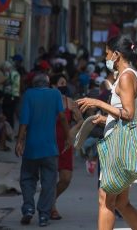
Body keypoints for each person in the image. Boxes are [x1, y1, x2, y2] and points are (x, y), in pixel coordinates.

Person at [77, 35, 137, 230]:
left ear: (116, 55)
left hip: (118, 142)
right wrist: (107, 118)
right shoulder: (132, 75)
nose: (106, 57)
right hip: (125, 139)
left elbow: (129, 113)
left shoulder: (125, 77)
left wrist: (99, 104)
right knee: (121, 203)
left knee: (105, 201)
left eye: (107, 53)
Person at [15, 73, 72, 227]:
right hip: (50, 148)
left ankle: (28, 208)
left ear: (34, 84)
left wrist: (20, 141)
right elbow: (62, 117)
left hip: (32, 148)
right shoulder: (55, 94)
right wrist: (68, 136)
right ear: (48, 84)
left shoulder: (29, 95)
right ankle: (44, 215)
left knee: (27, 178)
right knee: (49, 182)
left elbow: (24, 121)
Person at [49, 74, 83, 220]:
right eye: (61, 83)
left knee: (66, 178)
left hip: (65, 143)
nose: (64, 86)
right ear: (53, 86)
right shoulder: (48, 101)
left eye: (65, 82)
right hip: (49, 142)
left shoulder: (70, 102)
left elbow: (81, 120)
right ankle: (51, 207)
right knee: (50, 178)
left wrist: (71, 132)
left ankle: (50, 201)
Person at [0, 61, 20, 128]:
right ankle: (10, 130)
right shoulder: (15, 73)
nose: (3, 72)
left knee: (7, 113)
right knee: (11, 114)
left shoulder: (8, 72)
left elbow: (3, 80)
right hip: (15, 95)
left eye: (2, 70)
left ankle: (7, 130)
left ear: (5, 68)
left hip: (9, 95)